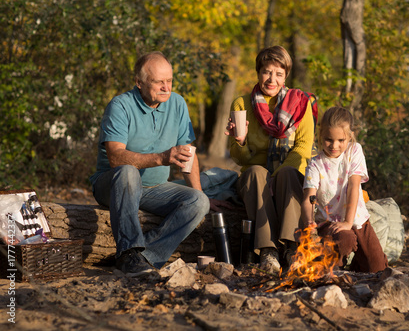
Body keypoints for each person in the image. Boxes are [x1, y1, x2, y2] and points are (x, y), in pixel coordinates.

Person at [90, 51, 226, 276]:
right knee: (127, 172)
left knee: (198, 201)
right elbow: (115, 157)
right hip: (114, 185)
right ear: (139, 83)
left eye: (169, 81)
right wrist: (161, 158)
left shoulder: (178, 104)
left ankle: (142, 256)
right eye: (158, 82)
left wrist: (201, 193)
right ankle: (128, 251)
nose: (166, 87)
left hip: (154, 189)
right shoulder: (120, 106)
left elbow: (188, 153)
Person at [225, 46, 317, 273]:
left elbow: (303, 148)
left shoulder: (301, 103)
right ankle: (268, 251)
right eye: (267, 72)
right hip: (255, 178)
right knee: (256, 172)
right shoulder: (241, 104)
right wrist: (240, 141)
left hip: (288, 175)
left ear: (286, 76)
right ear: (258, 73)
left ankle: (292, 246)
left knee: (287, 173)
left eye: (278, 73)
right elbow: (238, 159)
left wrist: (275, 177)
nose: (271, 79)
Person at [301, 106, 388, 273]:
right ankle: (335, 267)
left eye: (341, 140)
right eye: (328, 140)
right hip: (329, 222)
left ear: (350, 137)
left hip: (356, 217)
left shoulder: (354, 151)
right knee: (344, 239)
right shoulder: (315, 164)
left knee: (377, 268)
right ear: (320, 135)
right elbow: (308, 198)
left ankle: (359, 266)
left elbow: (354, 186)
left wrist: (348, 222)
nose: (334, 146)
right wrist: (309, 224)